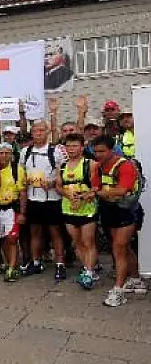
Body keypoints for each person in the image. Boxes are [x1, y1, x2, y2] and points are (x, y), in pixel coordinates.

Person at [94, 135, 147, 307]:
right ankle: (137, 280)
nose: (98, 154)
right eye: (96, 151)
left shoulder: (125, 166)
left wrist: (99, 193)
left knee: (119, 248)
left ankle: (118, 291)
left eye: (102, 151)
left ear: (112, 149)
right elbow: (96, 187)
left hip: (126, 211)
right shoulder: (98, 167)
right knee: (125, 248)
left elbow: (122, 190)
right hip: (109, 210)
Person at [19, 120, 67, 281]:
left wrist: (53, 183)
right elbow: (21, 173)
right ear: (32, 133)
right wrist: (24, 181)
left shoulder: (56, 151)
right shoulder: (25, 151)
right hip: (33, 198)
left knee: (55, 233)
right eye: (35, 130)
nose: (38, 133)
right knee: (35, 232)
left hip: (52, 198)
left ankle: (60, 263)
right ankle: (36, 261)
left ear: (47, 132)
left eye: (41, 130)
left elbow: (64, 174)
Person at [55, 133, 100, 289]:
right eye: (68, 146)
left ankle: (88, 272)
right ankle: (88, 269)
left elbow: (96, 188)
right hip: (69, 208)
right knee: (77, 242)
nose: (71, 149)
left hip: (87, 208)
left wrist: (82, 198)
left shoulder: (91, 164)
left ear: (82, 147)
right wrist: (67, 194)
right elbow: (59, 186)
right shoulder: (62, 166)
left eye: (75, 146)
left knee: (88, 241)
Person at [0, 143, 27, 282]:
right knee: (2, 239)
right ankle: (8, 263)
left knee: (12, 239)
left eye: (7, 153)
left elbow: (23, 192)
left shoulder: (16, 169)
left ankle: (13, 267)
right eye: (1, 153)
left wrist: (22, 213)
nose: (4, 156)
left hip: (11, 209)